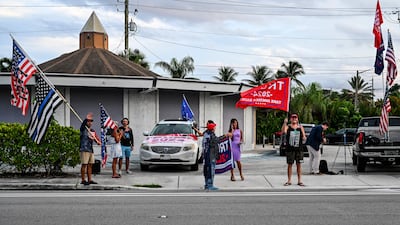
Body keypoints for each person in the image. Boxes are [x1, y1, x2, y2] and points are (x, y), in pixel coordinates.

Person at [281, 113, 306, 187]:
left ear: (297, 119)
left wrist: (304, 137)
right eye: (293, 117)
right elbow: (283, 131)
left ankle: (299, 181)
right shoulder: (288, 127)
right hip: (290, 149)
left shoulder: (300, 127)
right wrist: (284, 123)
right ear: (290, 119)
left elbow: (304, 136)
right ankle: (289, 180)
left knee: (299, 165)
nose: (294, 119)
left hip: (299, 149)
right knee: (290, 165)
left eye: (295, 118)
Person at [79, 113, 101, 185]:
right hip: (84, 149)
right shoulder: (83, 129)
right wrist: (85, 119)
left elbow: (95, 138)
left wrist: (98, 142)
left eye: (91, 121)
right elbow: (82, 126)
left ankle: (90, 179)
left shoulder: (92, 131)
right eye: (88, 121)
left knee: (90, 164)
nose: (90, 122)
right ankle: (83, 180)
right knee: (84, 164)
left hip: (90, 149)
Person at [202, 121, 220, 191]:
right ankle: (210, 185)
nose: (215, 128)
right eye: (214, 127)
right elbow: (217, 140)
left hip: (205, 155)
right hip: (211, 155)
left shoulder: (205, 134)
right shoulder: (211, 136)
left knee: (206, 170)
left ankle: (206, 184)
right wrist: (225, 135)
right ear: (212, 129)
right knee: (210, 171)